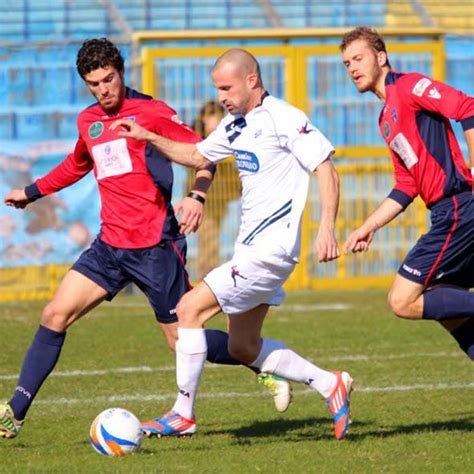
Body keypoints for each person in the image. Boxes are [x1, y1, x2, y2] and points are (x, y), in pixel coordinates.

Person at [0, 39, 290, 440]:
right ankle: (13, 413)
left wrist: (197, 195)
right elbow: (77, 163)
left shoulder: (153, 112)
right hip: (109, 247)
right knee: (54, 314)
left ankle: (258, 360)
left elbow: (203, 155)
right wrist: (31, 192)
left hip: (155, 247)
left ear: (121, 72)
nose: (103, 90)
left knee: (180, 341)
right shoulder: (89, 121)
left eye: (108, 79)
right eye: (93, 84)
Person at [111, 48, 354, 440]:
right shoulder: (234, 124)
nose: (221, 96)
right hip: (252, 251)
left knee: (187, 310)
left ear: (251, 81)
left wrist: (327, 227)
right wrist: (147, 136)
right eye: (217, 89)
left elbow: (325, 168)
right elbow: (195, 154)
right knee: (243, 346)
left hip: (270, 251)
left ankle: (182, 413)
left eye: (226, 87)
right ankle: (331, 384)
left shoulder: (284, 118)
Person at [340, 27, 474, 359]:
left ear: (381, 57)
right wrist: (367, 226)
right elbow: (406, 185)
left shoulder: (409, 85)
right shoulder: (385, 119)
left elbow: (466, 106)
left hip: (459, 208)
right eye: (346, 63)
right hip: (447, 212)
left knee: (402, 300)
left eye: (358, 58)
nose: (352, 67)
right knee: (449, 308)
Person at [186, 100, 240, 278]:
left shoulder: (225, 141)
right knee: (208, 241)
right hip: (203, 200)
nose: (216, 121)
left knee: (212, 242)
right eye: (211, 116)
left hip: (220, 200)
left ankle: (207, 277)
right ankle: (205, 278)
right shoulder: (197, 141)